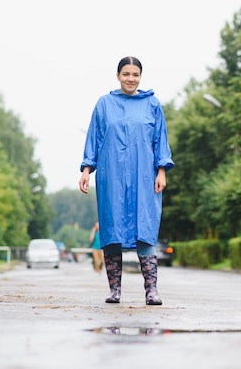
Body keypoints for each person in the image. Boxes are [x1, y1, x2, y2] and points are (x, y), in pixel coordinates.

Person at [79, 56, 174, 306]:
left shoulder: (152, 104)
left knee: (145, 229)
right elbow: (94, 138)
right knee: (112, 232)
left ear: (140, 76)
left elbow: (160, 140)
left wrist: (161, 171)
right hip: (111, 177)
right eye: (126, 74)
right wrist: (87, 170)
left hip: (144, 177)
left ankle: (151, 290)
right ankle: (115, 290)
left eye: (135, 74)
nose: (131, 79)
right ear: (118, 76)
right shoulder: (104, 104)